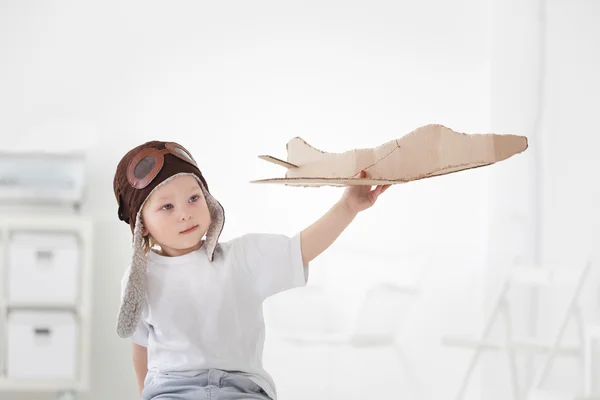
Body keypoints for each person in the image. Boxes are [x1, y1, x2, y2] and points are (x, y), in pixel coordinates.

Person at [113, 140, 390, 400]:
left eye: (194, 198)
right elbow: (141, 345)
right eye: (167, 206)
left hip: (241, 389)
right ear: (142, 224)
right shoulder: (139, 278)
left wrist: (348, 207)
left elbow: (301, 249)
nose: (184, 213)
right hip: (172, 390)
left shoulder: (242, 258)